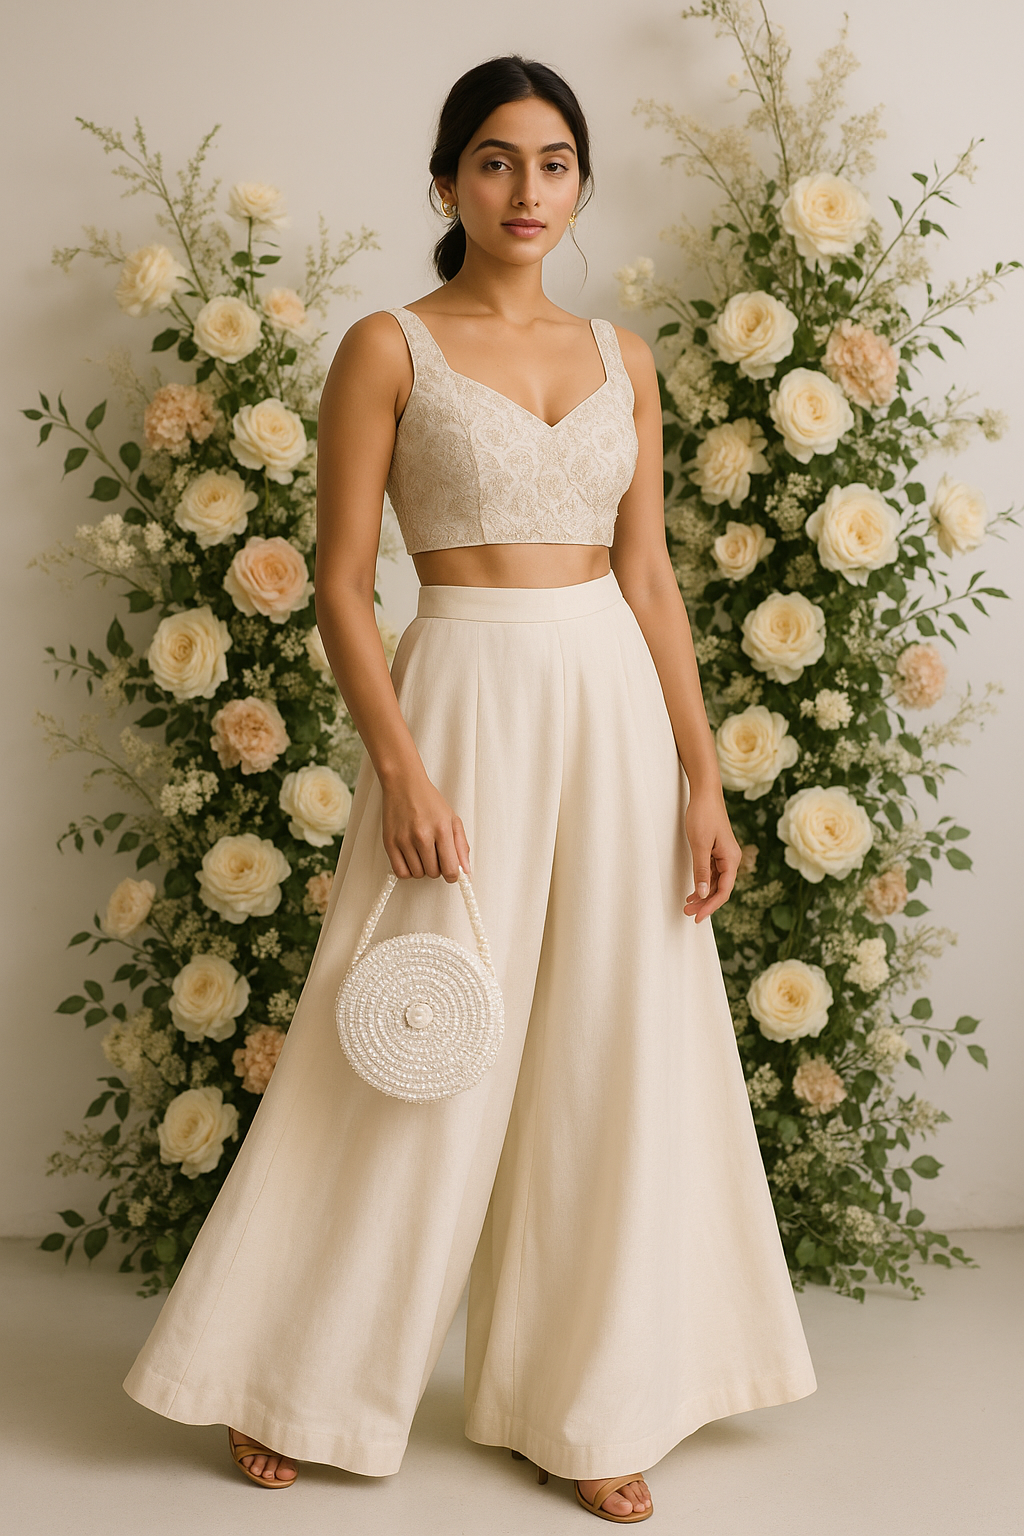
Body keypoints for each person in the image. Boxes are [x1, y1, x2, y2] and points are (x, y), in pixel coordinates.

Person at [123, 54, 817, 1524]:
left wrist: (704, 777)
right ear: (446, 182)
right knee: (403, 1038)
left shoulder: (621, 358)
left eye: (553, 162)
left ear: (579, 185)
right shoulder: (390, 345)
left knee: (610, 1055)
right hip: (462, 702)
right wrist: (401, 769)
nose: (525, 190)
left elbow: (651, 581)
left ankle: (592, 1403)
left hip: (613, 712)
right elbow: (339, 585)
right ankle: (284, 1376)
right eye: (494, 161)